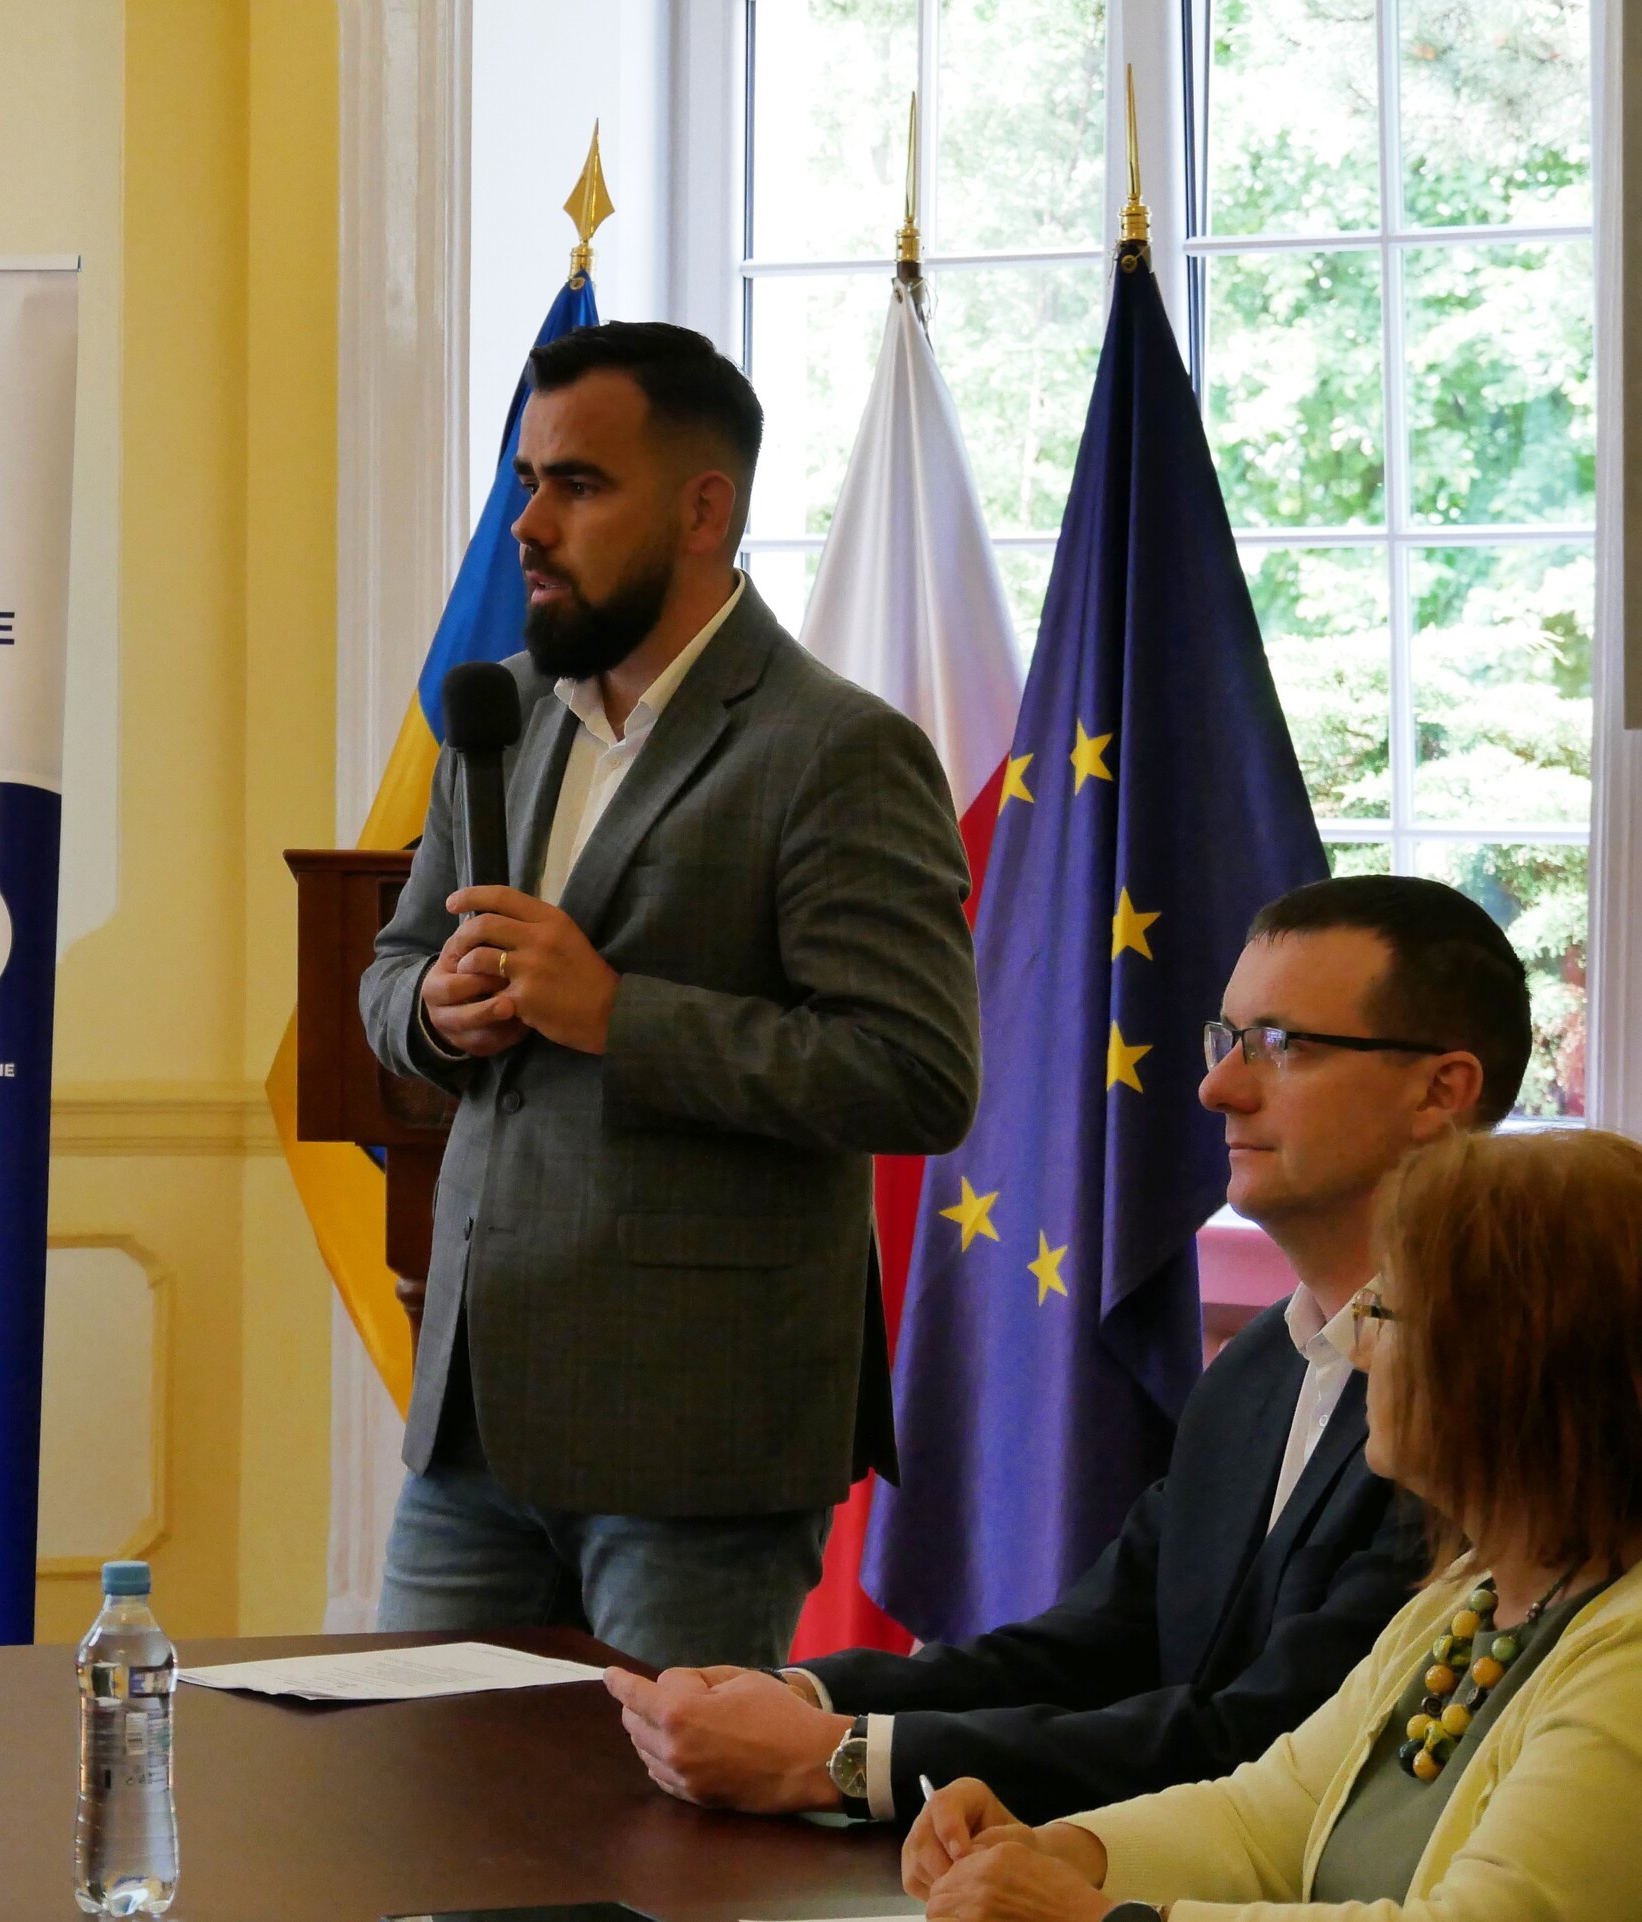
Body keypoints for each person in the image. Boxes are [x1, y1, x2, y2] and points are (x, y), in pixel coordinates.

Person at [611, 877, 1532, 1823]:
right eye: (1225, 1040)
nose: (1217, 1086)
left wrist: (841, 1759)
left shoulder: (1495, 1393)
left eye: (1279, 1045)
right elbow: (1096, 1645)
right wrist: (803, 1695)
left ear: (1441, 1091)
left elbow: (1266, 1744)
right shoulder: (1259, 1366)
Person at [357, 320, 981, 1672]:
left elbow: (914, 1072)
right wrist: (433, 1008)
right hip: (474, 1417)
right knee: (405, 1775)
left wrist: (615, 1013)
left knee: (653, 1806)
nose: (529, 525)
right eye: (528, 479)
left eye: (577, 485)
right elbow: (393, 966)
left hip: (697, 1442)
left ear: (704, 510)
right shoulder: (500, 712)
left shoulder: (837, 749)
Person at [901, 1124, 1642, 1922]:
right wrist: (1059, 1850)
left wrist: (1092, 1917)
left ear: (1509, 1362)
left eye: (1385, 1310)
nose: (1360, 1348)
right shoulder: (1466, 1599)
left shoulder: (1627, 1660)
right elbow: (1265, 1817)